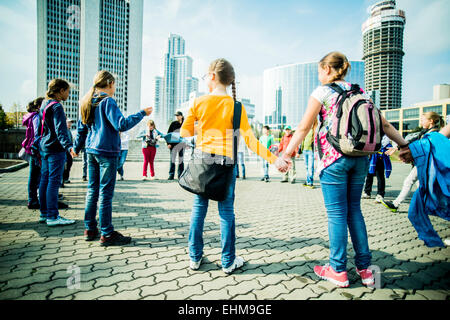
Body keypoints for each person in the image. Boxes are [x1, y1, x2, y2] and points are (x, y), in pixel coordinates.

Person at [275, 51, 410, 288]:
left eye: (319, 71)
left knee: (337, 214)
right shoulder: (361, 92)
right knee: (354, 211)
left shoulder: (322, 92)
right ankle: (366, 270)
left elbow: (304, 126)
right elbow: (385, 124)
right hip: (360, 158)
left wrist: (286, 155)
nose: (318, 75)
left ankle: (337, 269)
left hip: (333, 159)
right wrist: (404, 146)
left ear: (327, 69)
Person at [180, 58, 288, 274]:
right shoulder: (237, 107)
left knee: (198, 210)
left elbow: (184, 133)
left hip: (202, 163)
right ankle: (228, 261)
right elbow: (250, 141)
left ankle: (194, 257)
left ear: (212, 76)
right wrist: (274, 160)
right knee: (226, 212)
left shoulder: (198, 102)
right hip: (226, 165)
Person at [74, 70, 153, 246]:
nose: (115, 88)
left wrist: (76, 148)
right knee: (105, 194)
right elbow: (121, 124)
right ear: (110, 83)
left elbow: (81, 129)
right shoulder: (107, 101)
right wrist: (141, 114)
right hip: (106, 152)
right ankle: (107, 233)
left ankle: (89, 228)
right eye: (114, 84)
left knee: (92, 191)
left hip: (91, 150)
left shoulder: (87, 101)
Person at [381, 112, 445, 212]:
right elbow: (413, 141)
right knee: (420, 185)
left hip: (425, 164)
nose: (421, 121)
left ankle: (396, 204)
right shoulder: (425, 133)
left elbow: (422, 147)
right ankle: (431, 206)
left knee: (409, 181)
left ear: (431, 121)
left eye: (423, 119)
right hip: (422, 164)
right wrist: (397, 147)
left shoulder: (434, 134)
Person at [38, 79, 76, 226]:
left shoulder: (44, 104)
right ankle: (53, 216)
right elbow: (61, 130)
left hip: (45, 147)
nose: (68, 94)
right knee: (54, 182)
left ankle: (44, 213)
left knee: (45, 180)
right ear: (61, 91)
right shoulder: (57, 107)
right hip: (55, 148)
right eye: (67, 91)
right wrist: (69, 147)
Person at [23, 97, 44, 209]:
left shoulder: (31, 117)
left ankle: (33, 200)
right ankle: (35, 200)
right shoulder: (36, 117)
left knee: (33, 176)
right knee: (38, 176)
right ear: (39, 107)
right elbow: (37, 134)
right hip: (36, 150)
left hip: (32, 149)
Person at [361, 135, 392, 203]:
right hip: (371, 157)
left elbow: (386, 144)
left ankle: (380, 194)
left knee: (380, 176)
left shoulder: (384, 134)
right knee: (369, 175)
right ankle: (367, 192)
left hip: (379, 157)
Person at [167, 111, 185, 180]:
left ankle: (180, 175)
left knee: (181, 160)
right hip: (173, 145)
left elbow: (188, 134)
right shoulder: (173, 124)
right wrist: (168, 144)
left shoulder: (185, 124)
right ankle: (171, 175)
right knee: (172, 160)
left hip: (182, 144)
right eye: (176, 116)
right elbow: (168, 134)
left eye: (178, 115)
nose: (177, 117)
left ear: (181, 116)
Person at [300, 123, 316, 188]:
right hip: (304, 150)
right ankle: (307, 180)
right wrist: (300, 151)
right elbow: (302, 141)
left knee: (310, 167)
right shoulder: (306, 131)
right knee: (306, 166)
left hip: (311, 151)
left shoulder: (314, 131)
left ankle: (310, 182)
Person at [62, 119, 74, 186]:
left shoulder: (69, 131)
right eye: (68, 123)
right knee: (64, 166)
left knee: (69, 164)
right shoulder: (64, 130)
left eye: (70, 123)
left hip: (69, 150)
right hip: (65, 150)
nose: (70, 124)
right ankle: (63, 179)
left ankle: (66, 178)